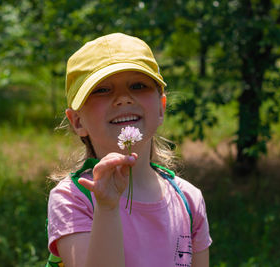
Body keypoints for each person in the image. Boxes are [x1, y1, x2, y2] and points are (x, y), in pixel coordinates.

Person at [47, 33, 212, 267]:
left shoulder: (188, 200)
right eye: (102, 90)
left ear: (161, 108)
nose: (123, 98)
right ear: (77, 122)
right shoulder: (73, 198)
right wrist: (107, 207)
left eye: (138, 85)